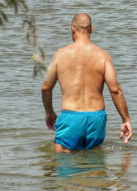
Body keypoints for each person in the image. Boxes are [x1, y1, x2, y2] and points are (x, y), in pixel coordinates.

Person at [41, 13, 132, 152]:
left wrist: (49, 112)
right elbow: (115, 90)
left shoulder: (60, 55)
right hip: (96, 118)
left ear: (72, 29)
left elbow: (46, 88)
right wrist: (126, 120)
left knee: (63, 165)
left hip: (71, 117)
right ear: (92, 29)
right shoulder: (103, 56)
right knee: (95, 166)